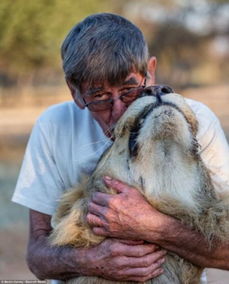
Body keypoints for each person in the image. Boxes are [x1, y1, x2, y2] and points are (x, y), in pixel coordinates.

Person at [12, 13, 229, 283]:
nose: (119, 111)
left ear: (150, 71)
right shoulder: (54, 125)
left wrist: (154, 227)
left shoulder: (194, 120)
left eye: (129, 90)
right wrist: (90, 260)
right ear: (75, 91)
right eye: (99, 96)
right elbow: (37, 259)